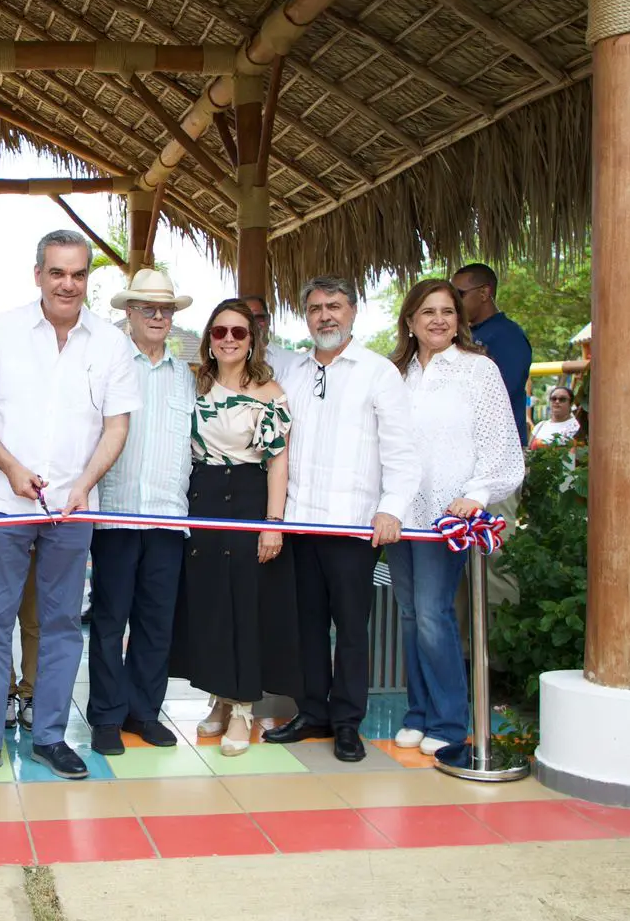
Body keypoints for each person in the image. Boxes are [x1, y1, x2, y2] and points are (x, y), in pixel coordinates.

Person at [0, 230, 139, 785]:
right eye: (57, 272)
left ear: (88, 280)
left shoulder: (109, 342)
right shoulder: (2, 332)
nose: (68, 283)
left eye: (78, 274)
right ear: (38, 274)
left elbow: (117, 424)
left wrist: (85, 483)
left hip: (72, 509)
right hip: (1, 505)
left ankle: (50, 737)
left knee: (61, 625)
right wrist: (8, 466)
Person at [264, 275, 419, 763]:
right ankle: (313, 713)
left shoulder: (378, 372)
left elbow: (401, 450)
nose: (325, 315)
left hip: (353, 527)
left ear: (353, 311)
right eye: (315, 308)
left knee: (352, 629)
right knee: (306, 627)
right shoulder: (292, 372)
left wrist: (391, 508)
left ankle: (347, 721)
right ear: (305, 317)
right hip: (300, 524)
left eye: (334, 306)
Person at [385, 279, 524, 755]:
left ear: (459, 320)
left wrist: (476, 494)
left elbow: (500, 444)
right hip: (399, 512)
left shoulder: (477, 370)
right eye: (428, 312)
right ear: (410, 321)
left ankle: (448, 721)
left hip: (447, 514)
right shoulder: (394, 374)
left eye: (447, 311)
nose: (438, 320)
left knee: (433, 614)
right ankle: (418, 713)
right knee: (407, 613)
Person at [169, 298, 294, 756]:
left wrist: (273, 524)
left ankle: (244, 708)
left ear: (252, 339)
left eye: (238, 332)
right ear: (208, 337)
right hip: (200, 502)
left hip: (247, 499)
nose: (227, 339)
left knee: (245, 606)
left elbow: (278, 464)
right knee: (210, 606)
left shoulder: (269, 391)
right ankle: (219, 699)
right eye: (219, 331)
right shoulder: (192, 385)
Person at [87, 270, 196, 756]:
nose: (158, 317)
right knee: (111, 622)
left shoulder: (186, 373)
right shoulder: (107, 364)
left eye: (165, 309)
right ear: (128, 313)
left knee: (157, 623)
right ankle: (107, 716)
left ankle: (144, 712)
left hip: (169, 517)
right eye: (147, 308)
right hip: (116, 513)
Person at [449, 264, 531, 446]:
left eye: (459, 295)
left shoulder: (508, 335)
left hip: (500, 446)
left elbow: (503, 393)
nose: (453, 303)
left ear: (484, 293)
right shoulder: (463, 334)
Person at [240, 292, 304, 381]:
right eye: (246, 318)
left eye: (259, 317)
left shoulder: (293, 361)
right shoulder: (227, 362)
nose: (253, 324)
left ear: (269, 320)